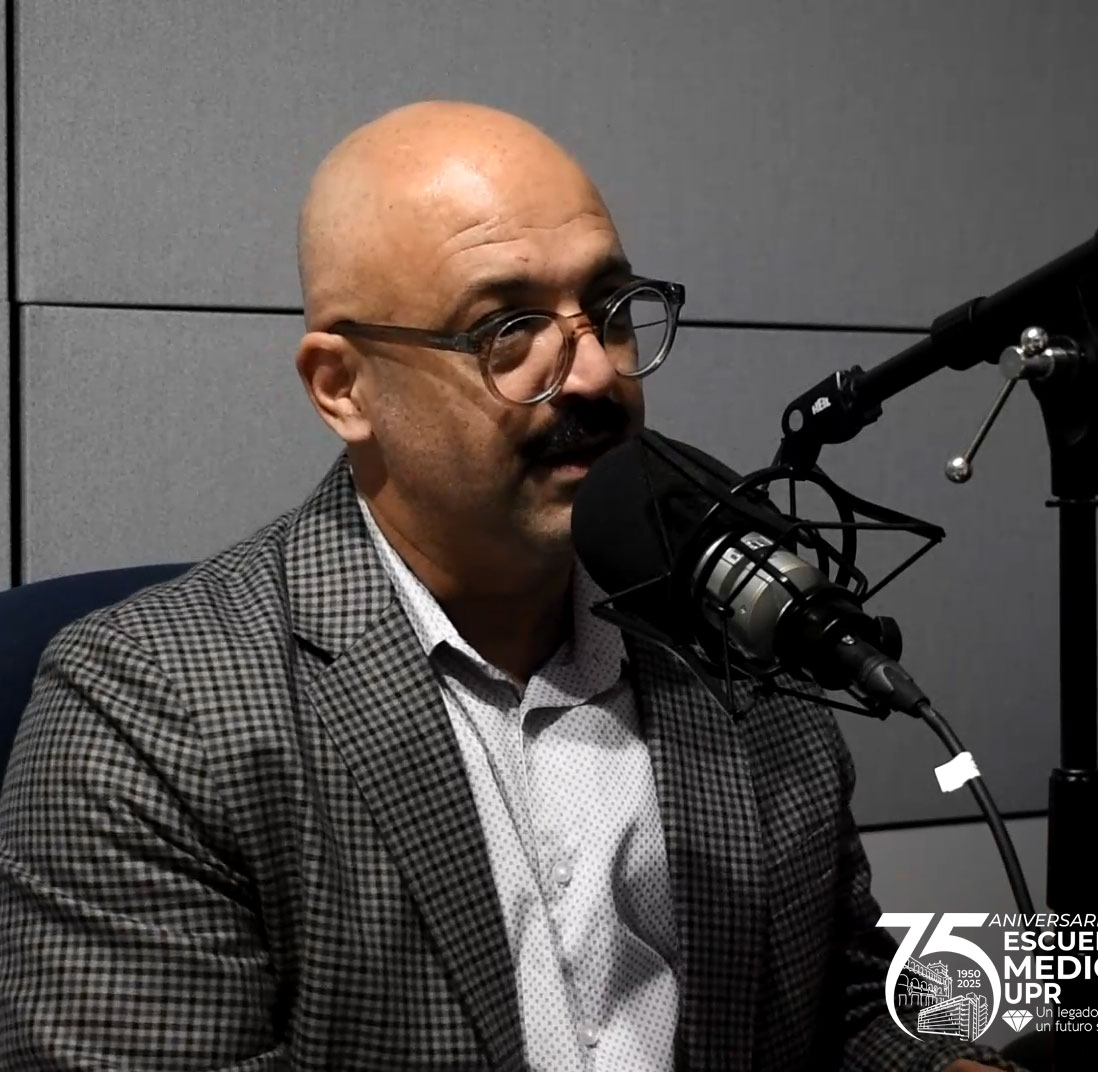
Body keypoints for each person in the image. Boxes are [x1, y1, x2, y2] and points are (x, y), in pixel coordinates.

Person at [0, 101, 1022, 1071]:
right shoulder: (151, 711)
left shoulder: (736, 632)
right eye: (506, 328)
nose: (595, 375)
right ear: (343, 387)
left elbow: (839, 1004)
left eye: (610, 311)